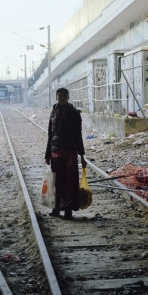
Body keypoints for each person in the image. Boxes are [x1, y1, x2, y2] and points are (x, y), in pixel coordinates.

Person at [45, 87, 86, 219]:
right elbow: (50, 135)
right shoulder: (53, 113)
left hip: (70, 151)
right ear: (56, 97)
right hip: (55, 151)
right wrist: (47, 154)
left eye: (64, 96)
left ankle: (68, 209)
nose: (61, 98)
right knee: (56, 181)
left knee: (69, 181)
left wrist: (82, 155)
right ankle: (56, 208)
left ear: (68, 98)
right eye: (59, 95)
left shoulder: (74, 114)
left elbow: (78, 135)